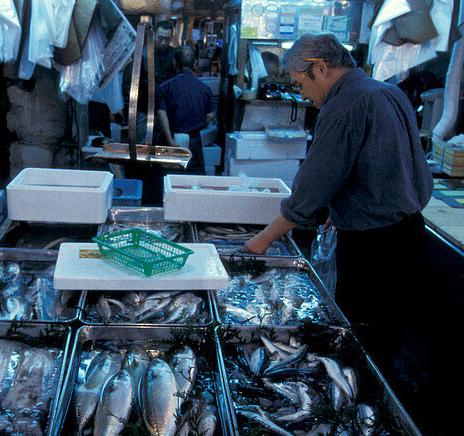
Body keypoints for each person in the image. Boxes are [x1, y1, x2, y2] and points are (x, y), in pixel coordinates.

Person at [245, 34, 433, 371]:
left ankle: (359, 417)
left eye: (301, 82)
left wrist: (262, 240)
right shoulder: (389, 92)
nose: (301, 94)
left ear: (321, 67)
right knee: (387, 338)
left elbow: (311, 189)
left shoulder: (343, 106)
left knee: (359, 343)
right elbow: (388, 166)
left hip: (374, 248)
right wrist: (345, 205)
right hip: (411, 235)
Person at [156, 45, 214, 174]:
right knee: (193, 181)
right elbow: (210, 116)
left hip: (172, 141)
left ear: (175, 62)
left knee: (170, 180)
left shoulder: (164, 88)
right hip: (194, 141)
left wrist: (170, 140)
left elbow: (161, 114)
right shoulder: (205, 89)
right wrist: (199, 125)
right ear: (195, 63)